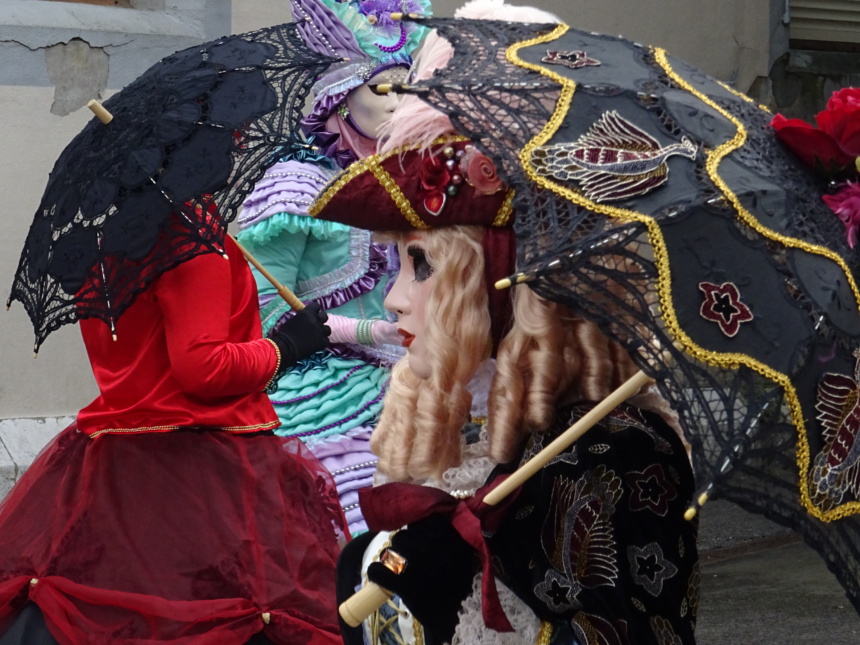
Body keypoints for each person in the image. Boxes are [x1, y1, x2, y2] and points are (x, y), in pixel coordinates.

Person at [309, 12, 700, 635]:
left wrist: (480, 559)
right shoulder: (447, 421)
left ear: (504, 283)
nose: (393, 302)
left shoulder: (610, 453)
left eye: (422, 266)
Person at [0, 210, 347, 644]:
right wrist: (288, 345)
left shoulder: (107, 238)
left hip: (116, 458)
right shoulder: (190, 233)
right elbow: (203, 368)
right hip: (204, 462)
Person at [236, 0, 429, 535]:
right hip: (317, 376)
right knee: (355, 500)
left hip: (412, 365)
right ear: (340, 100)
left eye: (409, 89)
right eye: (383, 89)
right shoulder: (294, 187)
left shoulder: (414, 181)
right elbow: (261, 315)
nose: (399, 105)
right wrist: (360, 330)